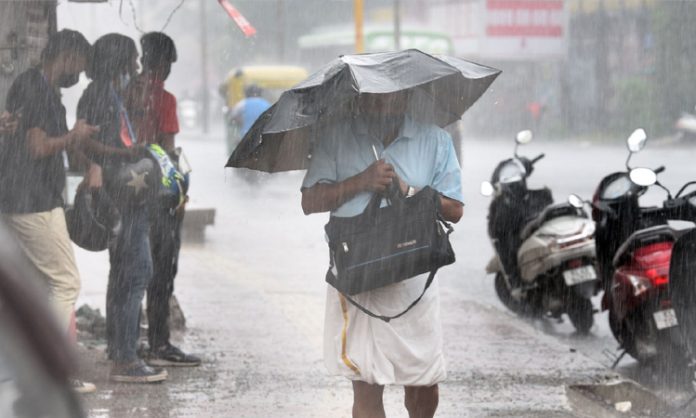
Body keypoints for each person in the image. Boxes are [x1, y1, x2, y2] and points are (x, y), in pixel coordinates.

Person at [301, 92, 464, 418]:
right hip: (358, 277)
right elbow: (310, 201)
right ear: (358, 100)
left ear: (405, 98)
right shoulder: (336, 137)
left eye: (388, 99)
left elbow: (455, 209)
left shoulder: (434, 139)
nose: (378, 106)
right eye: (370, 99)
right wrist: (361, 181)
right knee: (366, 381)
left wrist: (411, 193)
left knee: (423, 381)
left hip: (414, 279)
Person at [0, 29, 99, 393]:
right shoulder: (37, 90)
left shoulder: (36, 87)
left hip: (21, 197)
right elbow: (39, 147)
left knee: (38, 285)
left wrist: (84, 158)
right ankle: (50, 371)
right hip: (33, 201)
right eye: (81, 64)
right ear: (68, 55)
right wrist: (74, 136)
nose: (80, 74)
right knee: (65, 282)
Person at [76, 33, 167, 383]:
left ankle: (120, 349)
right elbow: (89, 143)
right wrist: (125, 155)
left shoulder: (109, 92)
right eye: (132, 58)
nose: (137, 65)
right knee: (135, 273)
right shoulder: (100, 94)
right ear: (118, 60)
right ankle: (126, 360)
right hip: (123, 196)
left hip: (127, 196)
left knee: (125, 274)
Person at [126, 32, 200, 367]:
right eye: (169, 63)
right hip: (158, 196)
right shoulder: (164, 99)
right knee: (162, 270)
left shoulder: (126, 92)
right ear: (165, 62)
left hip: (127, 190)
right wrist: (180, 194)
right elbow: (168, 153)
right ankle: (159, 342)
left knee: (130, 269)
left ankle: (126, 343)